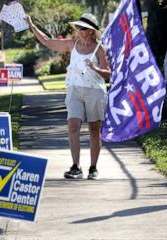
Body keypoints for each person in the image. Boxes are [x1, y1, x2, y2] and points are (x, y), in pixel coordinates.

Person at [25, 13, 110, 180]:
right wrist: (31, 25)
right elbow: (47, 42)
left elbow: (107, 74)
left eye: (83, 28)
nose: (79, 30)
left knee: (94, 130)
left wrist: (95, 68)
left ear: (91, 31)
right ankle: (75, 166)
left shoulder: (99, 48)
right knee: (73, 126)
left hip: (95, 91)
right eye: (78, 27)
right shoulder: (72, 44)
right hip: (74, 90)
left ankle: (93, 168)